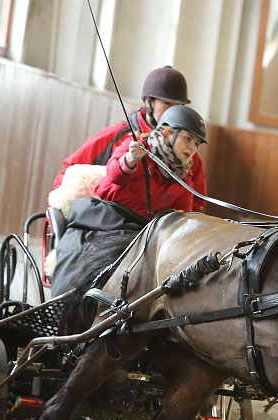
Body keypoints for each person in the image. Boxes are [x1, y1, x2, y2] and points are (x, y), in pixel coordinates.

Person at [50, 106, 209, 332]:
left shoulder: (184, 173)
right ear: (166, 134)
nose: (193, 148)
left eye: (197, 143)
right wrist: (130, 160)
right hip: (104, 220)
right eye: (188, 139)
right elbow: (114, 175)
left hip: (142, 233)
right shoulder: (137, 145)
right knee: (87, 266)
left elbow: (182, 213)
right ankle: (68, 320)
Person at [52, 65, 205, 192]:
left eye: (178, 106)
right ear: (148, 102)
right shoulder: (118, 135)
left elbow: (196, 200)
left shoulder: (187, 151)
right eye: (167, 104)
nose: (172, 111)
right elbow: (69, 172)